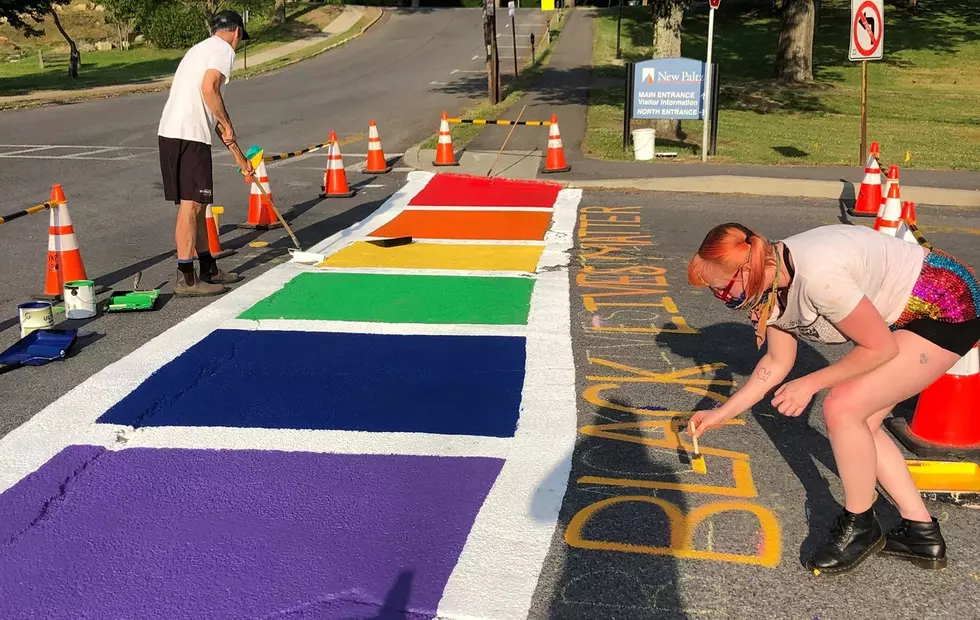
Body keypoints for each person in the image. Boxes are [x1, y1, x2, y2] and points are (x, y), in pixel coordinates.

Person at [686, 222, 980, 575]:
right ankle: (921, 533)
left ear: (746, 269)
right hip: (904, 311)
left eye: (723, 291)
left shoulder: (817, 277)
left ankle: (860, 525)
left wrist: (809, 384)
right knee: (863, 422)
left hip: (945, 304)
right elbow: (778, 361)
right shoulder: (772, 275)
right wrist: (723, 412)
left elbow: (879, 348)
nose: (723, 300)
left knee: (842, 407)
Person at [157, 10, 255, 297]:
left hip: (176, 132)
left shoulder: (199, 50)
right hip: (187, 135)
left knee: (199, 203)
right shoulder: (223, 50)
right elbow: (209, 89)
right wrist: (228, 123)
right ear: (236, 32)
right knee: (192, 206)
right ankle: (186, 278)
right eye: (239, 38)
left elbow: (207, 111)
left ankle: (208, 268)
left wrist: (239, 156)